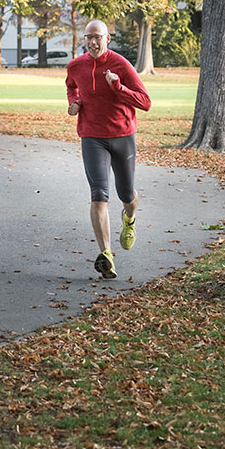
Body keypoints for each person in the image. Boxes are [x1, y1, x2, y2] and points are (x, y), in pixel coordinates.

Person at [65, 19, 151, 278]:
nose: (92, 42)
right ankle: (107, 255)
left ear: (107, 38)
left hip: (122, 135)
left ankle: (130, 219)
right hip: (92, 136)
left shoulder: (121, 64)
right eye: (88, 37)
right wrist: (75, 102)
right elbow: (72, 87)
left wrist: (119, 87)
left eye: (97, 37)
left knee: (126, 194)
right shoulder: (76, 65)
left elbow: (145, 102)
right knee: (99, 193)